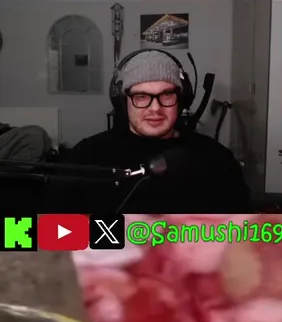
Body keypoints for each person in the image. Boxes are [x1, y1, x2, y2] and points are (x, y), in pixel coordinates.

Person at [44, 51, 251, 214]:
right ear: (123, 102)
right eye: (141, 97)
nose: (155, 108)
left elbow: (242, 234)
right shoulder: (87, 155)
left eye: (166, 95)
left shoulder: (216, 158)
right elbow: (51, 230)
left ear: (181, 100)